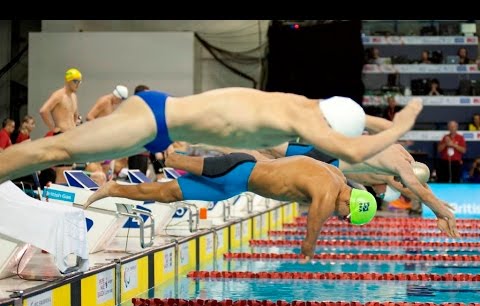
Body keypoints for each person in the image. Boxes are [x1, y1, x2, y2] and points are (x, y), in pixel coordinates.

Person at [0, 87, 422, 184]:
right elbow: (354, 146)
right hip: (156, 118)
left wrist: (392, 125)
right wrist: (403, 123)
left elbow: (359, 126)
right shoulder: (308, 122)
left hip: (158, 127)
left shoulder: (306, 105)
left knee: (53, 154)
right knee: (55, 149)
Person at [84, 152, 378, 262]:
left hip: (234, 183)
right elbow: (314, 223)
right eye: (347, 219)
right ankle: (156, 147)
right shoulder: (329, 191)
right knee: (170, 160)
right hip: (237, 171)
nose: (342, 220)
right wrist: (307, 253)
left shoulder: (338, 178)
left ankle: (113, 189)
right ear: (349, 206)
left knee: (167, 193)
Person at [193, 141, 460, 238]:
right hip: (322, 158)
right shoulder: (395, 170)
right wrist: (442, 211)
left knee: (265, 155)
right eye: (380, 193)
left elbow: (413, 188)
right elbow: (417, 190)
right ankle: (212, 144)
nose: (378, 192)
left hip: (325, 154)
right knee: (261, 161)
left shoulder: (395, 155)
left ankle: (214, 143)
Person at [39, 68, 82, 133]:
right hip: (62, 134)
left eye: (79, 82)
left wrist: (74, 125)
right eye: (75, 81)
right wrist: (52, 128)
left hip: (72, 134)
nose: (78, 84)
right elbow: (43, 111)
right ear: (68, 81)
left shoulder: (74, 96)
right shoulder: (59, 95)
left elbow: (75, 114)